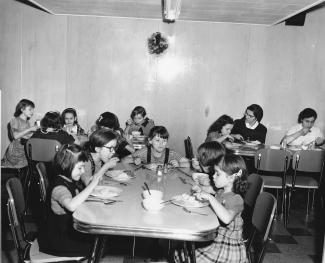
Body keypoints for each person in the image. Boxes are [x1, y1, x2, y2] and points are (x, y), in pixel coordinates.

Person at [38, 144, 101, 257]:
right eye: (80, 168)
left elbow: (77, 198)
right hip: (58, 240)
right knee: (98, 245)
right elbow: (71, 206)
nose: (82, 171)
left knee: (99, 239)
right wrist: (92, 185)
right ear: (66, 165)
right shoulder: (59, 187)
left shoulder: (68, 180)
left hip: (65, 231)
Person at [187, 154, 248, 263]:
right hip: (217, 238)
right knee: (184, 251)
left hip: (228, 247)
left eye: (218, 173)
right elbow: (209, 189)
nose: (213, 176)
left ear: (231, 178)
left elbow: (227, 218)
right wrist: (199, 188)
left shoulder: (236, 198)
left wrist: (210, 198)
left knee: (188, 256)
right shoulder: (221, 191)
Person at [2, 99, 38, 169]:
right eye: (30, 109)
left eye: (33, 109)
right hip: (15, 153)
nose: (32, 112)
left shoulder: (27, 122)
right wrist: (30, 129)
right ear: (22, 109)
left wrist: (36, 132)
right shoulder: (15, 120)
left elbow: (25, 136)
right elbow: (15, 136)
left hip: (24, 152)